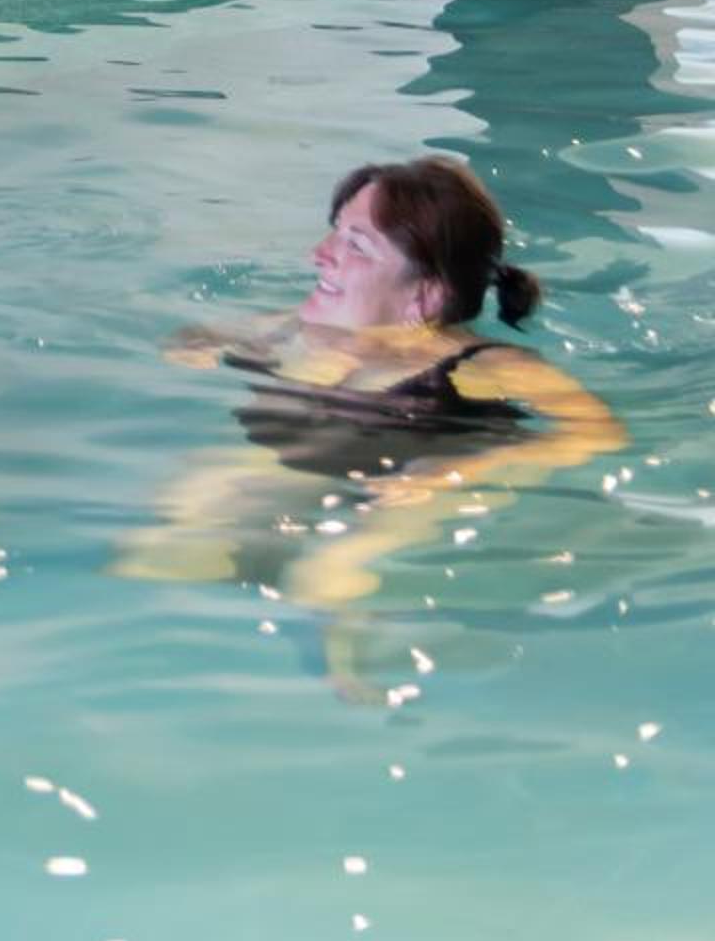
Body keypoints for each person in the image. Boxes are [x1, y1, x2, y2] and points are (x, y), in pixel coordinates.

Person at [117, 155, 623, 631]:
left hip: (409, 484)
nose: (319, 255)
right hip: (295, 465)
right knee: (171, 529)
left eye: (356, 245)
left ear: (425, 295)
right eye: (335, 232)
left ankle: (355, 670)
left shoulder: (485, 363)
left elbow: (598, 434)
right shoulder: (295, 327)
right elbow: (198, 337)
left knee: (326, 576)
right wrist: (195, 348)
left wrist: (459, 473)